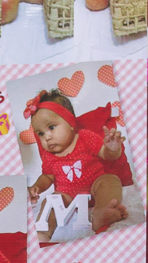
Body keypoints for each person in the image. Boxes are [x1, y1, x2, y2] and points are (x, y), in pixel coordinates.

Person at [26, 89, 129, 233]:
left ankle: (102, 212)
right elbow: (47, 177)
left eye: (51, 127)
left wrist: (112, 149)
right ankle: (43, 232)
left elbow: (106, 155)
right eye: (41, 133)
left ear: (70, 123)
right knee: (51, 201)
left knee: (111, 180)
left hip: (95, 185)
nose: (47, 137)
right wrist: (36, 187)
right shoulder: (49, 156)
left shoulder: (85, 137)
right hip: (67, 195)